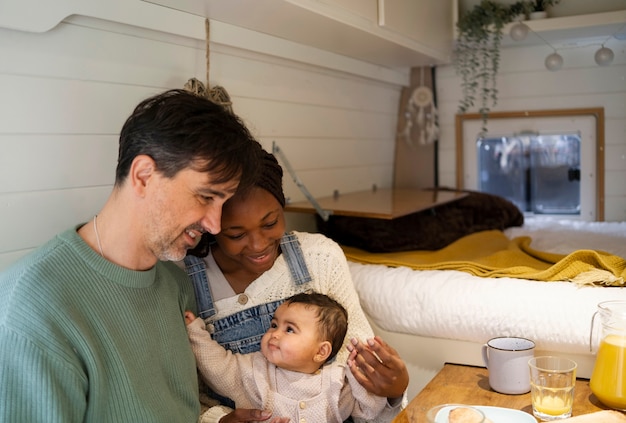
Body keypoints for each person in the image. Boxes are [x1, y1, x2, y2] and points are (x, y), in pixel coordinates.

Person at [0, 89, 272, 423]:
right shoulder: (30, 308)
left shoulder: (174, 281)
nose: (215, 225)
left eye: (222, 203)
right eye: (205, 197)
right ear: (143, 176)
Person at [182, 150, 410, 423]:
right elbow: (197, 388)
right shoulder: (185, 279)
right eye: (236, 234)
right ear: (211, 224)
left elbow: (362, 384)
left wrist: (393, 390)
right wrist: (219, 420)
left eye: (270, 223)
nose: (258, 245)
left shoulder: (319, 256)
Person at [185, 291, 387, 422]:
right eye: (274, 325)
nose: (275, 333)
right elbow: (218, 367)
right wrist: (195, 332)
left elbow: (369, 411)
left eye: (290, 329)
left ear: (321, 352)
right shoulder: (255, 370)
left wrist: (361, 372)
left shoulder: (338, 382)